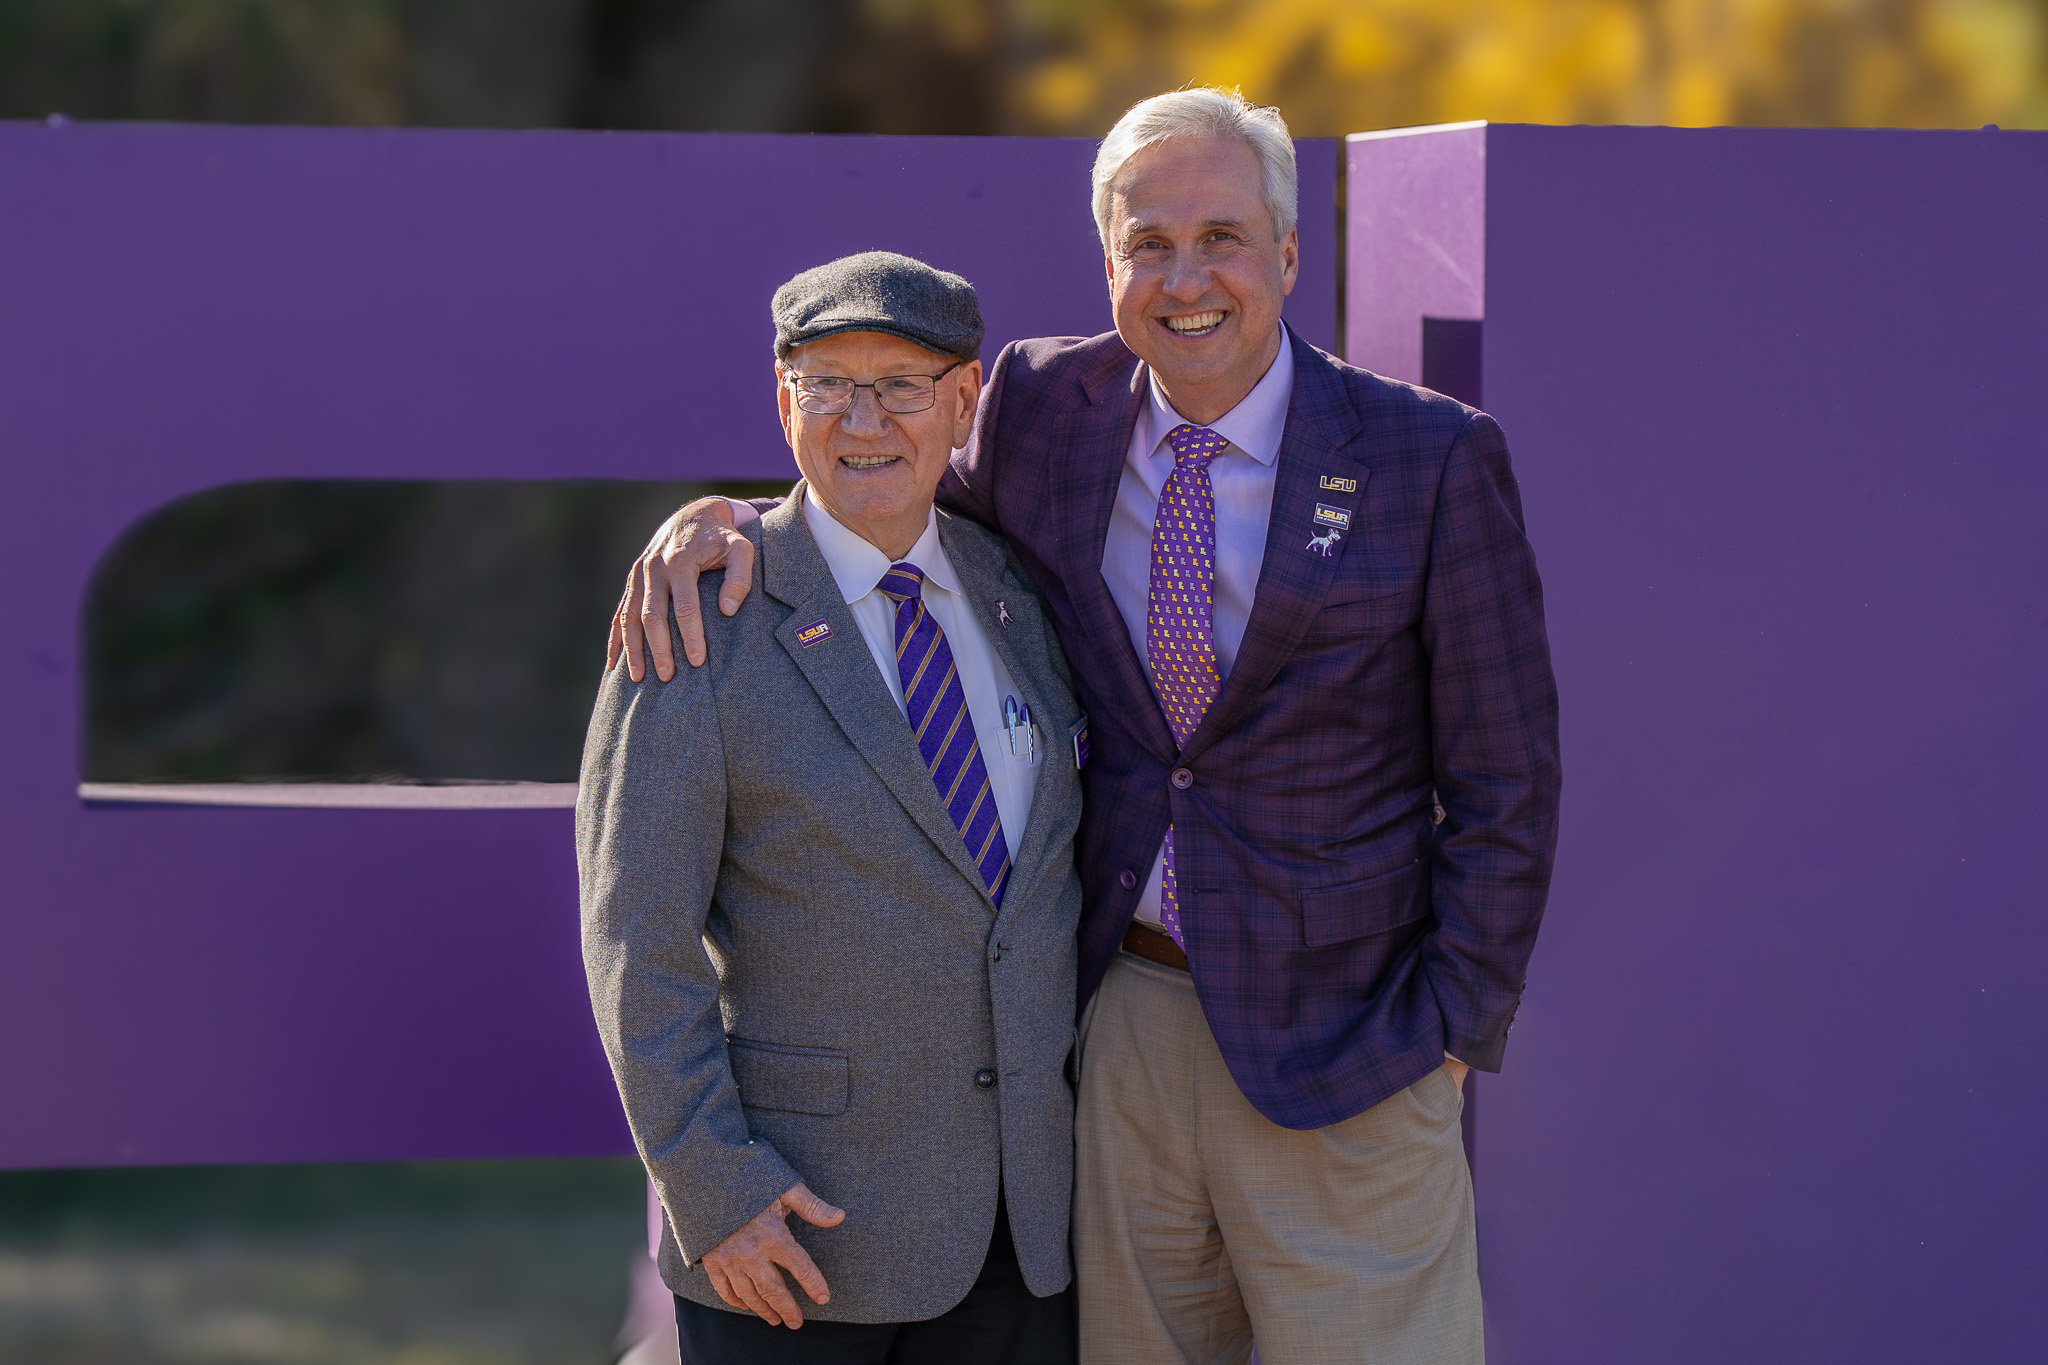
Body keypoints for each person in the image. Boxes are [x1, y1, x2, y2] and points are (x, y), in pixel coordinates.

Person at [611, 88, 1561, 1365]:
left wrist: (1447, 1026)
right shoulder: (1039, 410)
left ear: (1286, 253)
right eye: (1146, 244)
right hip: (1112, 1036)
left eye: (1220, 237)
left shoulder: (1426, 457)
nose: (1185, 279)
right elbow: (866, 480)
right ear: (1106, 261)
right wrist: (717, 516)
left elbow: (1507, 778)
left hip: (1351, 1038)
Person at [578, 251, 1085, 1364]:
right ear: (781, 400)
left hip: (1024, 1239)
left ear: (962, 403)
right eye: (826, 383)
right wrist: (714, 1190)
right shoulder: (700, 614)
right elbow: (635, 937)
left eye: (901, 384)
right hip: (792, 1241)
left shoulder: (1020, 596)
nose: (865, 418)